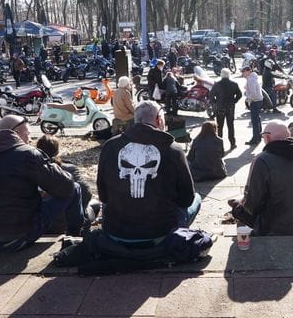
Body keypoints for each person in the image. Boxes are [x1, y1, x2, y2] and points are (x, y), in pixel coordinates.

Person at [0, 116, 84, 251]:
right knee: (75, 188)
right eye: (28, 133)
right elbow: (65, 186)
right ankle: (75, 238)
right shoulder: (27, 154)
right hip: (17, 237)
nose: (30, 139)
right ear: (17, 132)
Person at [96, 100, 200, 244]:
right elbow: (187, 198)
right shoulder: (173, 149)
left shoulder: (110, 146)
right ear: (159, 119)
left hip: (116, 232)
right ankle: (176, 236)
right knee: (197, 198)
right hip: (161, 232)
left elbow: (103, 196)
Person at [228, 121, 293, 235]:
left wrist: (239, 205)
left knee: (237, 205)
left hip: (276, 229)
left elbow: (252, 205)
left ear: (267, 137)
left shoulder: (262, 160)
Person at [36, 134, 95, 220]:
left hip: (39, 220)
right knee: (94, 205)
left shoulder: (31, 169)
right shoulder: (69, 169)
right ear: (57, 151)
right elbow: (86, 193)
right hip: (67, 221)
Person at [209, 68, 242, 150]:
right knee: (230, 126)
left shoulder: (217, 84)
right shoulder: (234, 84)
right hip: (230, 107)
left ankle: (219, 146)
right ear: (229, 74)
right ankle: (232, 143)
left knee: (219, 127)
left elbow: (211, 96)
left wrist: (216, 103)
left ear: (221, 74)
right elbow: (239, 95)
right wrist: (234, 101)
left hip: (220, 107)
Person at [242, 66, 263, 145]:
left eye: (243, 72)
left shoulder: (250, 80)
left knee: (254, 121)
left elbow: (253, 93)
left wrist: (248, 99)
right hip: (258, 100)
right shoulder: (252, 78)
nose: (242, 74)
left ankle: (255, 138)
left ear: (248, 71)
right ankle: (259, 136)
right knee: (257, 119)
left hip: (255, 101)